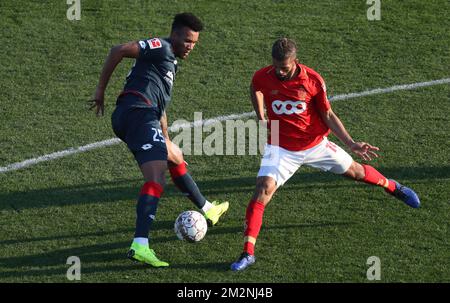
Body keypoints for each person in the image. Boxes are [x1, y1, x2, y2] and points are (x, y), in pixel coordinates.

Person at [230, 38, 420, 271]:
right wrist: (260, 116)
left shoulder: (312, 80)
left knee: (356, 172)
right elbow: (255, 88)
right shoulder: (263, 75)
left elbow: (328, 114)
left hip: (315, 144)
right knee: (262, 190)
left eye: (285, 68)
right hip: (279, 146)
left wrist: (351, 143)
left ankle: (392, 186)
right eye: (277, 66)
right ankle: (248, 253)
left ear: (295, 62)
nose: (280, 71)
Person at [90, 13, 229, 268]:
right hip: (136, 114)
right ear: (174, 34)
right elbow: (118, 50)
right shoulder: (161, 47)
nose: (191, 46)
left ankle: (209, 209)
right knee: (156, 178)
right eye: (187, 40)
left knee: (174, 156)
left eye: (195, 42)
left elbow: (160, 107)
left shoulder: (170, 64)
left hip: (144, 116)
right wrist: (100, 91)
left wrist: (165, 138)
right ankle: (140, 245)